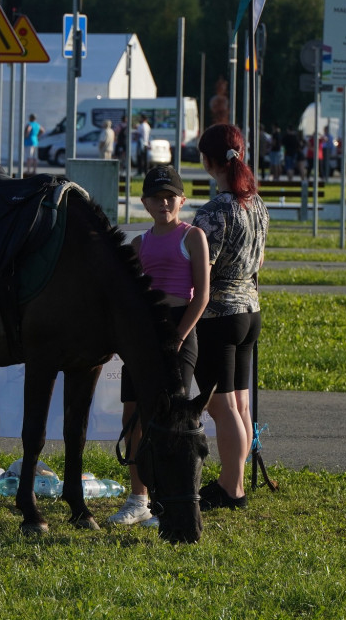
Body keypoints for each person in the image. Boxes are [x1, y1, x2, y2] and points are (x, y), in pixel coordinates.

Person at [109, 166, 210, 527]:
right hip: (145, 338)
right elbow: (132, 298)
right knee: (132, 417)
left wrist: (178, 337)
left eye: (171, 197)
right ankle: (139, 498)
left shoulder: (193, 236)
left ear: (182, 200)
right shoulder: (139, 243)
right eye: (156, 197)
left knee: (170, 420)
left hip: (179, 333)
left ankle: (169, 499)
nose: (164, 202)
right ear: (145, 203)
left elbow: (201, 298)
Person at [191, 123, 269, 512]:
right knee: (239, 403)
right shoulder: (256, 203)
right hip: (250, 310)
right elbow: (260, 260)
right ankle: (233, 483)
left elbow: (200, 268)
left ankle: (231, 487)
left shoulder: (214, 211)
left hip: (220, 316)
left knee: (220, 407)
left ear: (207, 161)